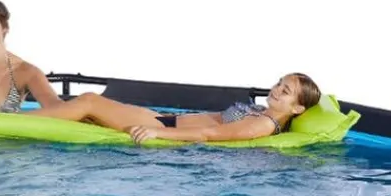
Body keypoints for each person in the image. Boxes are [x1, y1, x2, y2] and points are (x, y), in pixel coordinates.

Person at [32, 73, 323, 144]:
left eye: (285, 91)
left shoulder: (262, 124)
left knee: (89, 101)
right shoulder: (260, 112)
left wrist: (157, 133)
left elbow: (209, 134)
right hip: (167, 120)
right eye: (279, 83)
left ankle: (12, 119)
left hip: (163, 128)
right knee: (88, 110)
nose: (276, 89)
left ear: (298, 109)